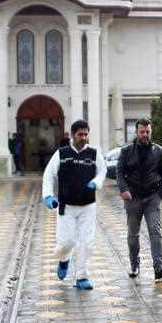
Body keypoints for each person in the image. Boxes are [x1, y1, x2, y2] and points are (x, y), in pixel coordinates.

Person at [42, 119, 106, 290]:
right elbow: (48, 175)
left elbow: (103, 170)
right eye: (80, 134)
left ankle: (82, 277)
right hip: (66, 206)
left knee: (86, 242)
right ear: (72, 135)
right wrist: (48, 196)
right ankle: (64, 260)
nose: (84, 137)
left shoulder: (93, 153)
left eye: (86, 134)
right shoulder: (61, 154)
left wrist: (96, 182)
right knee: (66, 242)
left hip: (88, 206)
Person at [116, 118, 162, 280]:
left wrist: (161, 192)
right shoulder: (126, 151)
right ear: (136, 132)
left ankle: (158, 266)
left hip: (152, 197)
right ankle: (134, 264)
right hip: (132, 198)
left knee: (155, 231)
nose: (145, 134)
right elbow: (119, 173)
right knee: (133, 234)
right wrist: (124, 189)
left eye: (148, 131)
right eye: (142, 132)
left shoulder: (158, 150)